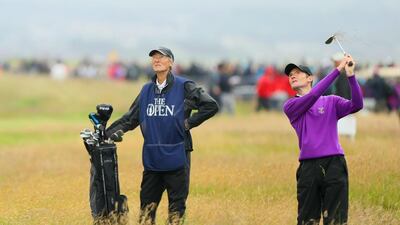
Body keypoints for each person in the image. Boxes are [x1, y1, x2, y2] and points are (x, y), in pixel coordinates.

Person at [106, 47, 219, 225]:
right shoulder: (146, 90)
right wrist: (106, 134)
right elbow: (130, 119)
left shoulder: (185, 86)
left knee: (176, 209)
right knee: (146, 210)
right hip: (153, 159)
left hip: (178, 154)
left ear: (171, 62)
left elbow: (210, 106)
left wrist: (188, 124)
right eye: (154, 58)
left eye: (161, 57)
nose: (156, 60)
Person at [283, 54, 363, 225]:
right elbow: (312, 97)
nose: (292, 76)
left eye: (298, 72)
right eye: (290, 75)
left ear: (310, 78)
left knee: (336, 220)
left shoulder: (331, 101)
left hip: (334, 164)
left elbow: (357, 105)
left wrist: (350, 76)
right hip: (308, 169)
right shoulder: (291, 106)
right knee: (307, 220)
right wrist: (337, 71)